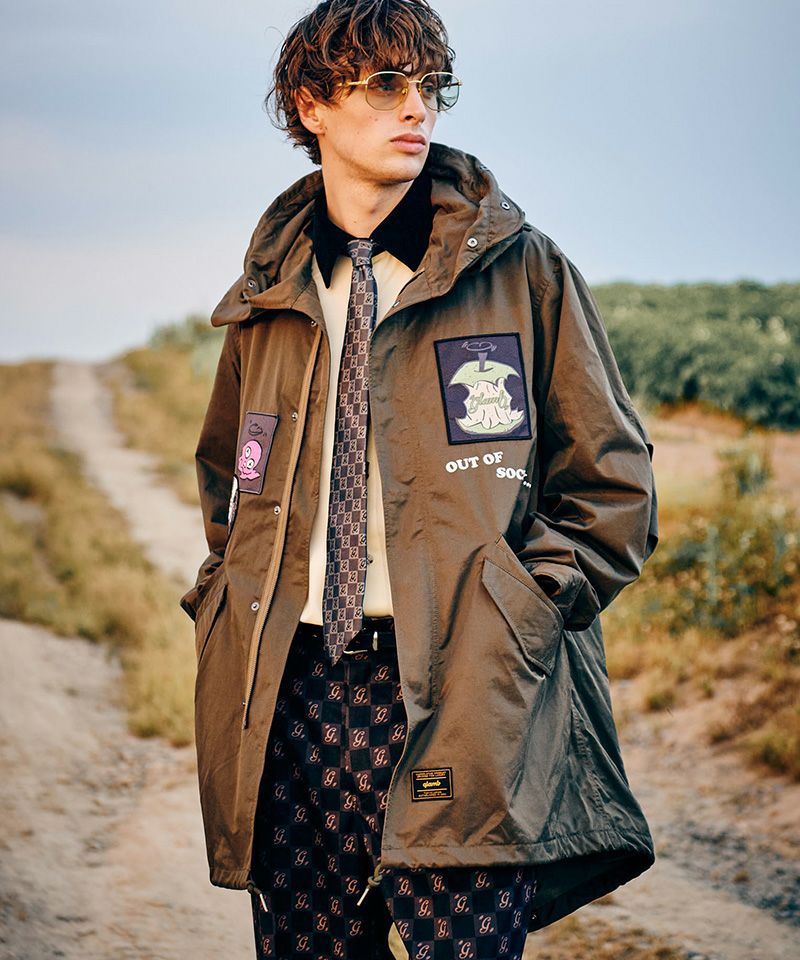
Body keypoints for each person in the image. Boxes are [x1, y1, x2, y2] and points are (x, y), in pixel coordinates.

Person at [179, 1, 660, 958]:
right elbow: (231, 479)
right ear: (312, 105)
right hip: (291, 700)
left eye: (432, 87)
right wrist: (224, 599)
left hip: (461, 691)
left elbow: (612, 488)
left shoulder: (519, 271)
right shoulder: (271, 292)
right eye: (388, 85)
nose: (419, 109)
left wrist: (517, 616)